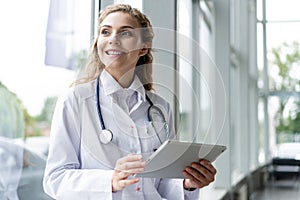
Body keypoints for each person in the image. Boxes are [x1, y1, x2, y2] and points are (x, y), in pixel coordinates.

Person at [43, 4, 216, 200]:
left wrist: (188, 183)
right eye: (105, 32)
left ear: (143, 48)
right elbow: (55, 179)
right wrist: (110, 181)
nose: (113, 39)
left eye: (125, 33)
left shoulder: (160, 108)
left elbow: (162, 181)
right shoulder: (75, 100)